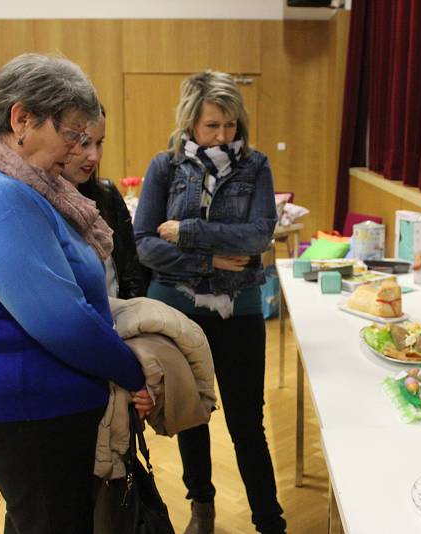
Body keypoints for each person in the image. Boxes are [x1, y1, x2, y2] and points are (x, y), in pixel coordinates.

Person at [0, 53, 153, 534]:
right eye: (73, 135)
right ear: (21, 119)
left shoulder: (21, 181)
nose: (82, 151)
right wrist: (134, 373)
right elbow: (62, 321)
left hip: (39, 407)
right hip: (29, 413)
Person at [134, 70, 286, 534]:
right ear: (190, 125)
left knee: (247, 421)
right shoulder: (165, 167)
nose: (223, 135)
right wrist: (214, 259)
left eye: (230, 125)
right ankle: (202, 507)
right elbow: (144, 243)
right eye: (212, 126)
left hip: (239, 310)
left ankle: (269, 520)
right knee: (191, 414)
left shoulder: (256, 165)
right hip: (179, 311)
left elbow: (260, 234)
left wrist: (189, 233)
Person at [62, 105, 149, 298]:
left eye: (99, 143)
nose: (94, 156)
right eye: (84, 143)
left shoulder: (107, 195)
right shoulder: (37, 200)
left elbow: (131, 273)